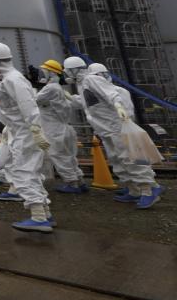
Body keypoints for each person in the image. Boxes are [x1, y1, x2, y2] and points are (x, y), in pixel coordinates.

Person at [64, 60, 163, 209]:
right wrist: (70, 98)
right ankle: (134, 190)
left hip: (116, 126)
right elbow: (88, 104)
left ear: (73, 70)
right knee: (117, 160)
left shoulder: (91, 79)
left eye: (67, 70)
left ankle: (149, 189)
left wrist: (118, 106)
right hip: (105, 129)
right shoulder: (82, 83)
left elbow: (110, 94)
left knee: (130, 158)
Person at [0, 42, 54, 232]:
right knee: (30, 172)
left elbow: (28, 106)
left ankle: (38, 217)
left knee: (23, 173)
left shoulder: (13, 79)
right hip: (19, 132)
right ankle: (45, 212)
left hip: (26, 133)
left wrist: (36, 130)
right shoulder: (6, 80)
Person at [35, 60, 86, 193]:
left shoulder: (50, 88)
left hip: (55, 129)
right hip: (65, 128)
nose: (42, 73)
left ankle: (72, 183)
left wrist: (33, 84)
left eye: (44, 71)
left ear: (50, 73)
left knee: (58, 155)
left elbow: (33, 100)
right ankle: (80, 180)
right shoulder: (58, 88)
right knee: (70, 156)